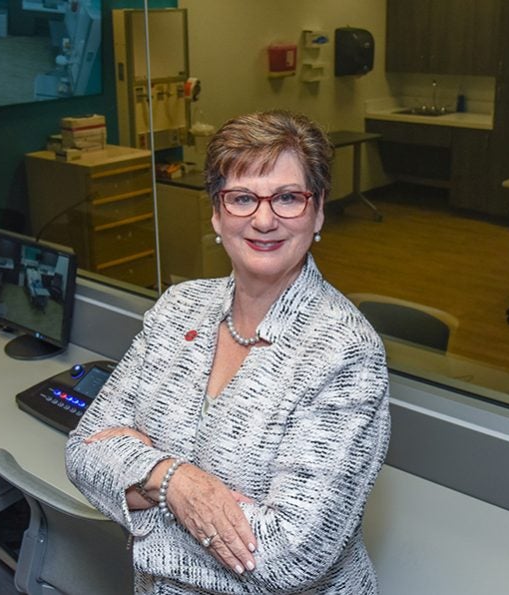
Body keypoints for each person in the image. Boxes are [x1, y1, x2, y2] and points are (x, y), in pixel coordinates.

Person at [65, 110, 391, 593]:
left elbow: (289, 559)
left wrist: (141, 490)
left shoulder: (344, 353)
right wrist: (177, 483)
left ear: (318, 210)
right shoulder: (179, 308)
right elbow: (82, 452)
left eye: (287, 198)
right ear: (217, 213)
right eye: (241, 198)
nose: (263, 219)